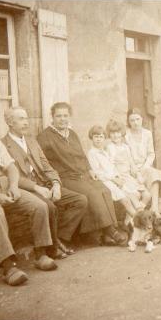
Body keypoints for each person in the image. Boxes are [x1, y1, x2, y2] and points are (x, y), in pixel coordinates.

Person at [0, 109, 56, 286]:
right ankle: (9, 267)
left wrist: (14, 186)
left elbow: (11, 168)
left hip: (6, 184)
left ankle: (41, 254)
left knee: (39, 205)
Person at [2, 107, 88, 257]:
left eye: (26, 118)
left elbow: (46, 165)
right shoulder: (3, 145)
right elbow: (12, 177)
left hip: (45, 184)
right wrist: (36, 188)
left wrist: (56, 183)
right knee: (49, 207)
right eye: (21, 119)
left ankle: (59, 238)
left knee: (80, 200)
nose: (26, 123)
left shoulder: (31, 140)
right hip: (26, 189)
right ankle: (52, 248)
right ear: (10, 122)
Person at [37, 102, 120, 246]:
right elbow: (42, 163)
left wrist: (90, 169)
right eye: (59, 116)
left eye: (65, 116)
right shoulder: (44, 137)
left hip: (82, 174)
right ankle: (110, 230)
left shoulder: (72, 134)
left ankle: (103, 235)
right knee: (92, 193)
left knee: (104, 190)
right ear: (52, 117)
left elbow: (82, 155)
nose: (63, 119)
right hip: (65, 177)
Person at [86, 125, 141, 224]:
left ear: (104, 138)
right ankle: (140, 221)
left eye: (101, 137)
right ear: (92, 138)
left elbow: (112, 167)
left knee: (132, 193)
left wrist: (117, 177)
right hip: (105, 181)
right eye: (96, 137)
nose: (98, 139)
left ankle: (130, 221)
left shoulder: (104, 152)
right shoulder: (92, 153)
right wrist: (113, 179)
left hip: (114, 179)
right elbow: (98, 173)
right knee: (125, 200)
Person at [124, 108, 161, 216]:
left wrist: (145, 167)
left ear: (142, 119)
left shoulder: (147, 134)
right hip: (131, 169)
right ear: (128, 121)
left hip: (144, 166)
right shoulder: (126, 136)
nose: (135, 123)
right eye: (132, 120)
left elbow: (151, 154)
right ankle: (139, 211)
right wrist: (135, 170)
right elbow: (127, 156)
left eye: (137, 119)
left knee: (154, 173)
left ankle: (155, 208)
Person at [106, 120, 151, 210]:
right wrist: (117, 178)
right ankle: (138, 214)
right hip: (120, 178)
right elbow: (111, 166)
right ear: (109, 134)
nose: (115, 135)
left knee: (147, 195)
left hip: (129, 176)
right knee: (135, 196)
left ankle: (132, 217)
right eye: (112, 133)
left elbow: (131, 163)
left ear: (122, 133)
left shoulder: (125, 147)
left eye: (118, 132)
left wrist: (138, 175)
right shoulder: (110, 147)